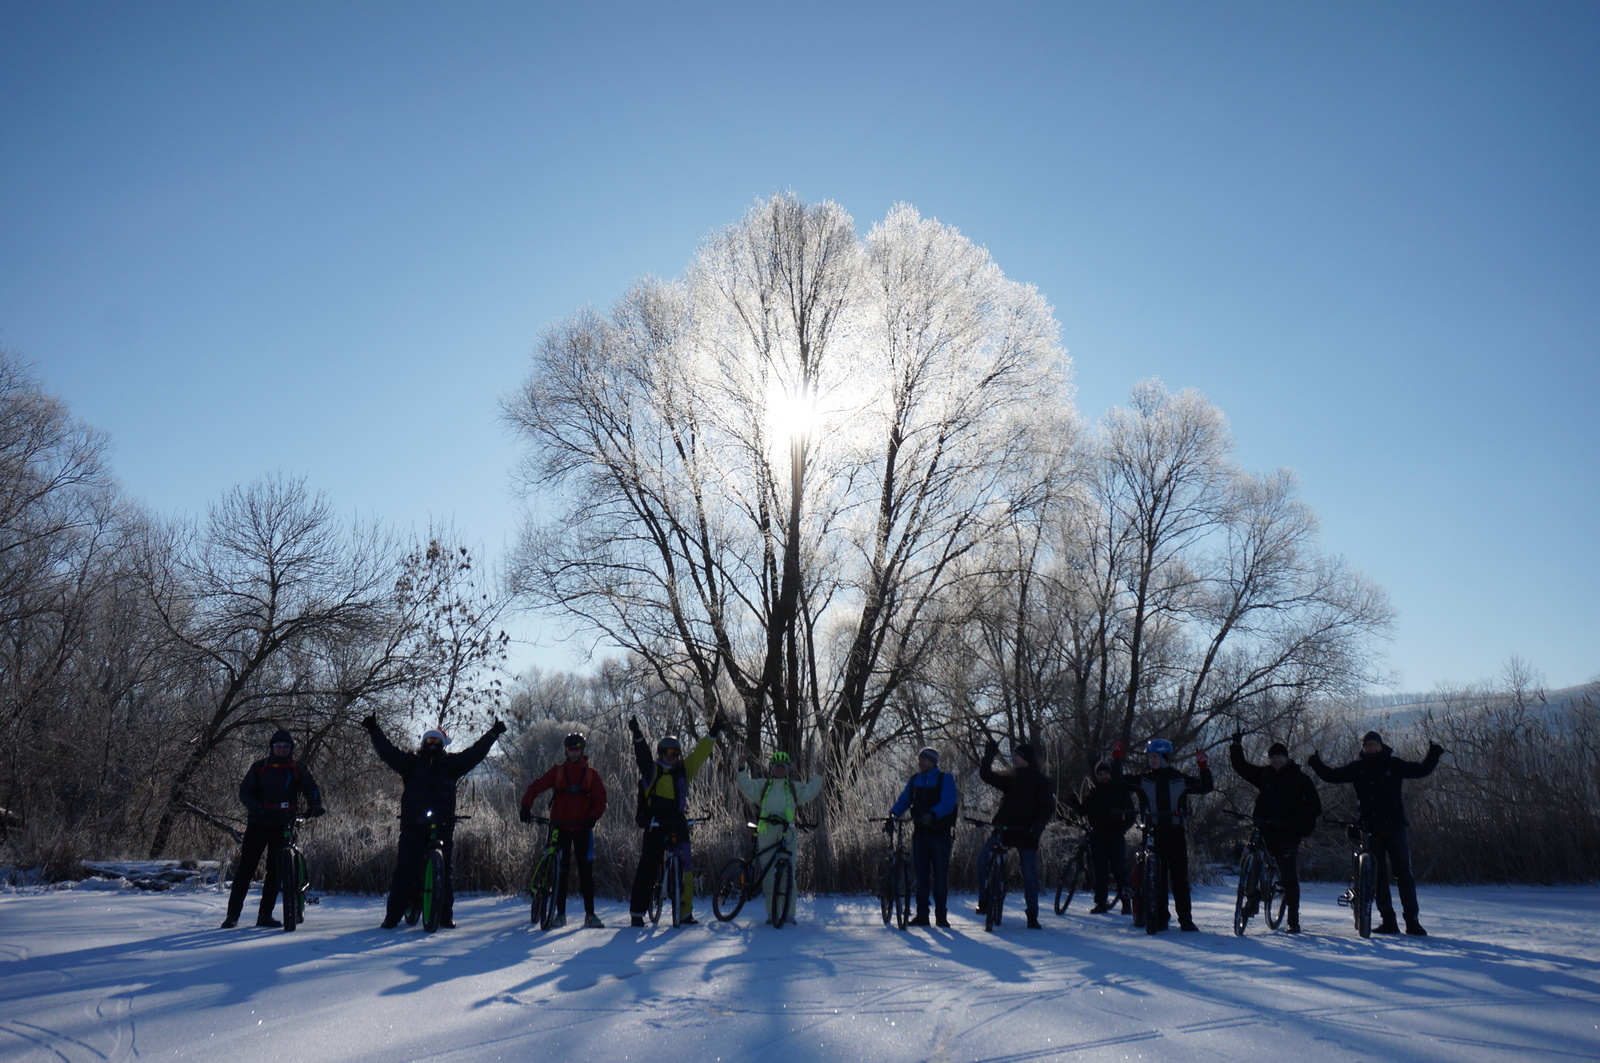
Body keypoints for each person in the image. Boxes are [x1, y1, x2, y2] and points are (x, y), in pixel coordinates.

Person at [362, 714, 506, 929]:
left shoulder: (451, 765)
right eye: (428, 741)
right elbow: (388, 752)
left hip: (443, 825)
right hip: (413, 825)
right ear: (423, 744)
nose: (432, 745)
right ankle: (392, 917)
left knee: (445, 872)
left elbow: (475, 754)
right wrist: (374, 729)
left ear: (442, 744)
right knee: (404, 870)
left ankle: (445, 916)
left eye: (436, 741)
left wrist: (493, 734)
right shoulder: (411, 764)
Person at [1308, 730, 1444, 936]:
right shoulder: (1357, 768)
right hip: (1369, 829)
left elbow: (1421, 770)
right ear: (1363, 748)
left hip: (1395, 827)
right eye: (1367, 745)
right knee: (1377, 877)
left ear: (1381, 745)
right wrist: (1317, 763)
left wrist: (1433, 754)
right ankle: (1388, 921)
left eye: (1374, 745)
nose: (1371, 748)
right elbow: (1332, 776)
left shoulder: (1394, 764)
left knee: (1403, 875)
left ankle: (1412, 921)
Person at [222, 729, 325, 928]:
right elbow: (245, 791)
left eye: (285, 747)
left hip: (284, 823)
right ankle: (232, 915)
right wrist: (255, 806)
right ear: (271, 748)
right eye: (278, 746)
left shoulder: (298, 768)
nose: (281, 750)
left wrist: (316, 805)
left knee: (275, 871)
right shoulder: (260, 767)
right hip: (258, 823)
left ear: (291, 749)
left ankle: (265, 915)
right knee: (246, 869)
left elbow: (310, 787)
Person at [627, 714, 724, 927]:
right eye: (668, 753)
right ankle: (637, 912)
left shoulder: (683, 770)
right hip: (655, 823)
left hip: (678, 822)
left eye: (676, 753)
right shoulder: (652, 770)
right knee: (648, 866)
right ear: (660, 754)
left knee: (685, 868)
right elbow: (642, 756)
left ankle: (685, 913)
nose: (672, 757)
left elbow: (699, 755)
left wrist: (713, 733)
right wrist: (637, 734)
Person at [1113, 737, 1213, 932]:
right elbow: (1118, 782)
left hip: (1175, 833)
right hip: (1153, 832)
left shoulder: (1179, 779)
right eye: (1150, 757)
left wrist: (1203, 767)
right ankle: (1159, 918)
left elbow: (1205, 787)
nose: (1152, 760)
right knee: (1156, 877)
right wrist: (1116, 759)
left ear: (1165, 756)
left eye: (1155, 756)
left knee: (1179, 878)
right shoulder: (1144, 779)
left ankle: (1185, 919)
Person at [1229, 732, 1321, 933]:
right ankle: (1251, 899)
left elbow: (1314, 806)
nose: (1276, 760)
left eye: (1279, 756)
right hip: (1264, 827)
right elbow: (1242, 768)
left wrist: (1297, 822)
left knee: (1288, 874)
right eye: (1272, 757)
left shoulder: (1300, 779)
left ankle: (1293, 919)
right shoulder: (1265, 775)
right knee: (1251, 857)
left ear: (1286, 757)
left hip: (1287, 832)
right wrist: (1236, 746)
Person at [519, 731, 609, 928]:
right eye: (570, 748)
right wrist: (526, 806)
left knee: (586, 872)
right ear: (566, 751)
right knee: (561, 872)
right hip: (559, 827)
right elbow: (537, 786)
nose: (574, 752)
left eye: (577, 748)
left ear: (582, 750)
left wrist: (593, 817)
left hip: (582, 828)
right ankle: (560, 914)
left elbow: (600, 800)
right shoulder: (558, 772)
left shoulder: (591, 775)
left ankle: (590, 914)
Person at [735, 751, 824, 925]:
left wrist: (819, 775)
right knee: (768, 875)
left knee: (788, 873)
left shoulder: (793, 787)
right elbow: (745, 786)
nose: (780, 770)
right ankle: (772, 914)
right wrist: (741, 767)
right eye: (777, 767)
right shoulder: (763, 786)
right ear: (772, 769)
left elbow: (811, 791)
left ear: (788, 769)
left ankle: (789, 914)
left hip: (787, 832)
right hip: (766, 831)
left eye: (783, 767)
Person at [975, 739, 1055, 928]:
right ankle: (984, 900)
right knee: (983, 859)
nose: (1014, 759)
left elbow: (1047, 806)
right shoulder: (1012, 777)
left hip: (1027, 832)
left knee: (1029, 873)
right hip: (1004, 828)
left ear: (1026, 758)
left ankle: (1032, 914)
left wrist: (1039, 824)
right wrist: (987, 759)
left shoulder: (1041, 781)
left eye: (1017, 756)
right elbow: (988, 777)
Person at [887, 747, 959, 927]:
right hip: (920, 832)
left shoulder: (945, 779)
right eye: (920, 759)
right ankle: (922, 915)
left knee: (941, 876)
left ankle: (941, 916)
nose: (921, 763)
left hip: (940, 834)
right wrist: (893, 815)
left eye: (924, 760)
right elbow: (904, 800)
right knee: (921, 875)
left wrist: (933, 814)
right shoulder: (915, 780)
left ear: (933, 762)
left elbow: (949, 802)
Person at [1062, 760, 1136, 915]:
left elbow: (1130, 816)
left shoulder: (1119, 791)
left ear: (1111, 774)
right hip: (1097, 837)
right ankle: (1101, 902)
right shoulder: (1094, 793)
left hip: (1115, 836)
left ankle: (1126, 903)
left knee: (1119, 871)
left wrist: (1119, 830)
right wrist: (1073, 800)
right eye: (1100, 774)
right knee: (1099, 871)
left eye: (1106, 773)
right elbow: (1083, 811)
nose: (1103, 777)